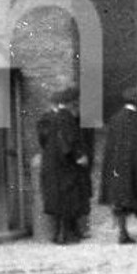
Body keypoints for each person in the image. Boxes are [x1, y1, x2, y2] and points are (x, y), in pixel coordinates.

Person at [37, 85, 92, 244]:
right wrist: (79, 156)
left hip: (50, 163)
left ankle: (58, 234)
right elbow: (70, 140)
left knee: (56, 199)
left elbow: (43, 141)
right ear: (69, 103)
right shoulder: (66, 118)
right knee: (69, 198)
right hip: (65, 164)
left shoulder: (46, 119)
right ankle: (66, 234)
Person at [98, 87, 137, 244]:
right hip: (131, 165)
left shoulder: (115, 118)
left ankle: (123, 231)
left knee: (120, 199)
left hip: (116, 165)